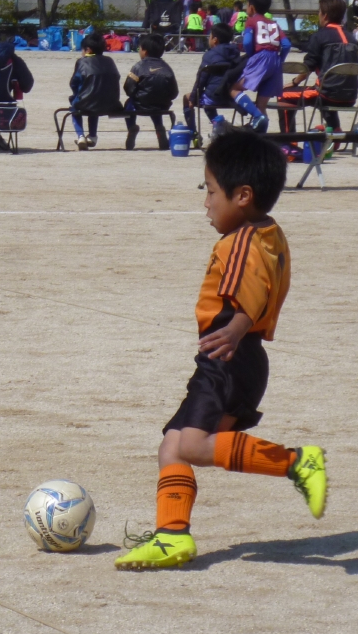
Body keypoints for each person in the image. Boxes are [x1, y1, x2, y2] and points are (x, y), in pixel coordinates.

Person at [113, 131, 327, 570]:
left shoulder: (239, 243)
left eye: (211, 191)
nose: (206, 203)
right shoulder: (268, 232)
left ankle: (295, 462)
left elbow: (252, 293)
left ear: (242, 196)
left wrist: (236, 328)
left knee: (191, 446)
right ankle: (172, 536)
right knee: (173, 446)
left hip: (229, 358)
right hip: (235, 360)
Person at [291, 0, 358, 132]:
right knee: (328, 84)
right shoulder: (352, 38)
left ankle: (289, 141)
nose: (318, 15)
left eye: (319, 12)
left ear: (325, 15)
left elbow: (307, 67)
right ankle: (335, 131)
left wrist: (294, 82)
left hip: (327, 95)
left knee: (284, 96)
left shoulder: (319, 36)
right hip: (351, 96)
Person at [229, 0, 291, 133]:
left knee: (234, 89)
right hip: (275, 61)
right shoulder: (274, 23)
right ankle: (261, 133)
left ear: (251, 7)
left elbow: (247, 42)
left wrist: (252, 55)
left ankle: (257, 116)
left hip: (260, 58)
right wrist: (280, 60)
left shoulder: (251, 21)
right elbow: (287, 45)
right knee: (262, 105)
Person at [183, 22, 240, 145]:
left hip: (214, 97)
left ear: (215, 40)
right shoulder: (236, 54)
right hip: (232, 96)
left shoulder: (209, 55)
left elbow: (201, 80)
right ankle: (217, 123)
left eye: (210, 36)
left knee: (188, 98)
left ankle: (194, 134)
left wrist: (193, 98)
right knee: (207, 96)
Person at [124, 33, 178, 150]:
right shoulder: (167, 67)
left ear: (145, 51)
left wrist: (135, 95)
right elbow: (174, 92)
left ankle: (131, 127)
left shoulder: (138, 66)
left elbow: (128, 87)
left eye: (140, 48)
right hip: (162, 106)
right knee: (155, 104)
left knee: (128, 104)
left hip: (140, 105)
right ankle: (159, 127)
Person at [68, 32, 121, 149]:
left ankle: (80, 136)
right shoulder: (110, 61)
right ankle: (92, 136)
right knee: (95, 101)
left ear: (88, 50)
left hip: (86, 102)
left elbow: (74, 82)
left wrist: (75, 94)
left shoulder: (82, 62)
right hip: (111, 104)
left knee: (76, 106)